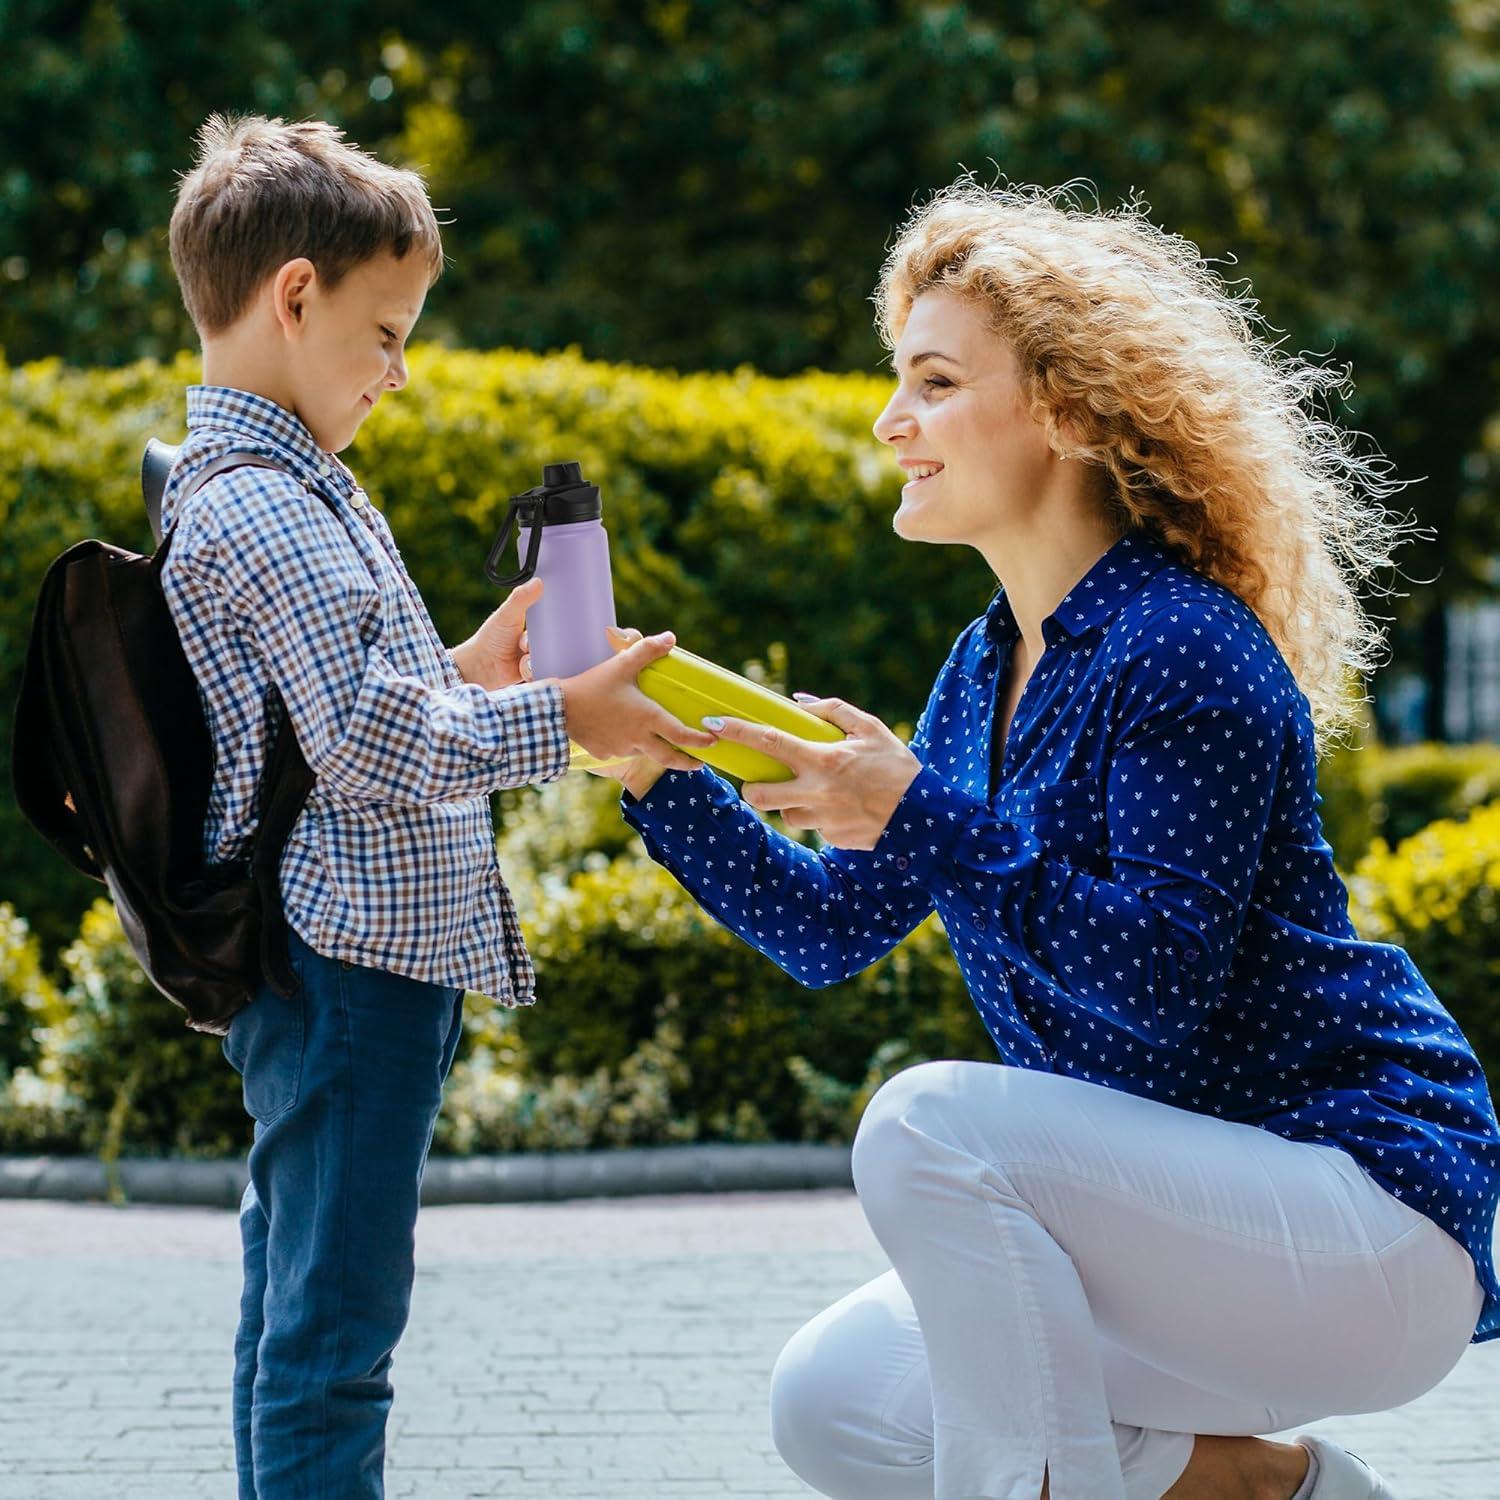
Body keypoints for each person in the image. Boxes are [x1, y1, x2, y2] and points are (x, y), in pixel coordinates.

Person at [574, 183, 1500, 1499]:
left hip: (1366, 1215)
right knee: (837, 1400)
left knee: (926, 1127)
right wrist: (657, 774)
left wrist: (921, 813)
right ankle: (1279, 1489)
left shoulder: (1183, 646)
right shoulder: (983, 668)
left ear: (1065, 409)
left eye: (935, 381)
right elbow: (833, 930)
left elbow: (1161, 986)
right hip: (1190, 1229)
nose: (893, 422)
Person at [160, 114, 714, 1497]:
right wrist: (560, 719)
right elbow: (358, 743)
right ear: (297, 297)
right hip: (356, 965)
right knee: (335, 1338)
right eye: (389, 332)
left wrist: (462, 670)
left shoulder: (271, 487)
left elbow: (344, 707)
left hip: (341, 954)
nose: (400, 373)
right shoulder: (269, 508)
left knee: (294, 1313)